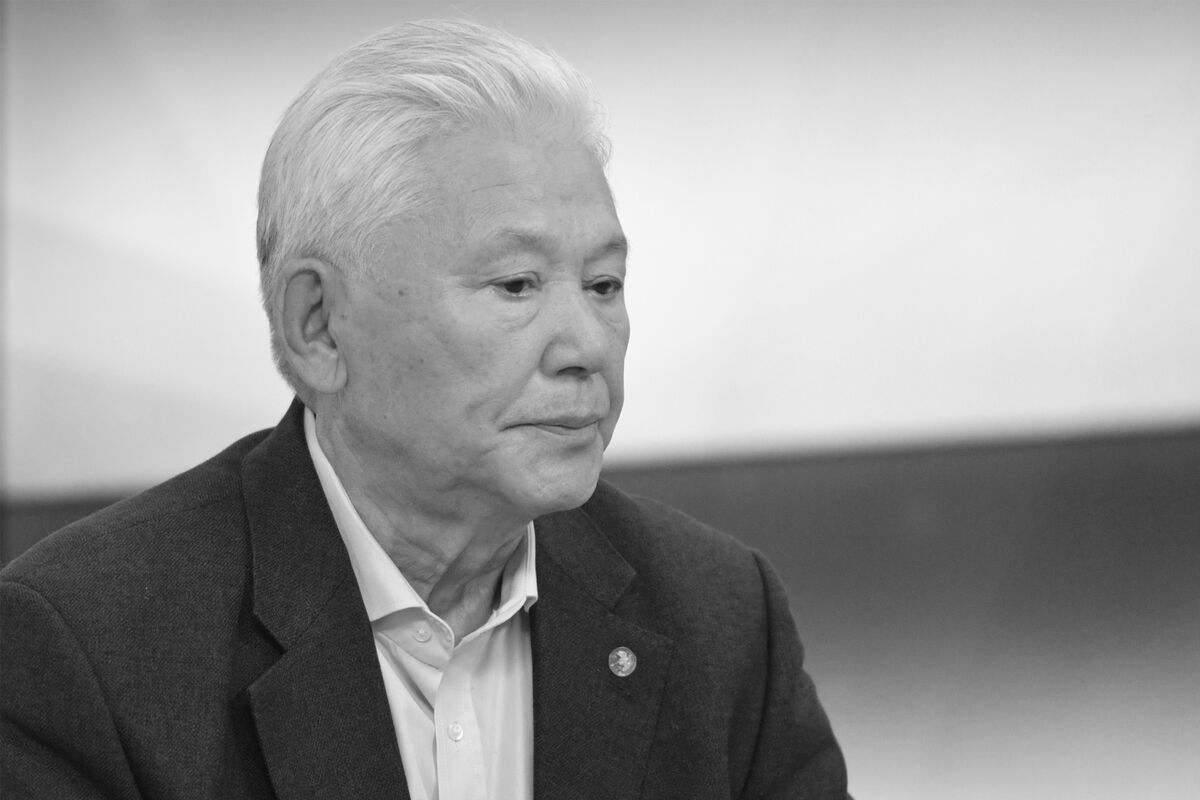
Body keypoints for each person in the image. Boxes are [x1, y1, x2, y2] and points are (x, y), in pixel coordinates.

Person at [1, 20, 849, 799]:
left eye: (603, 285)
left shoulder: (720, 617)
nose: (587, 345)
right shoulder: (86, 648)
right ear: (318, 326)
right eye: (516, 284)